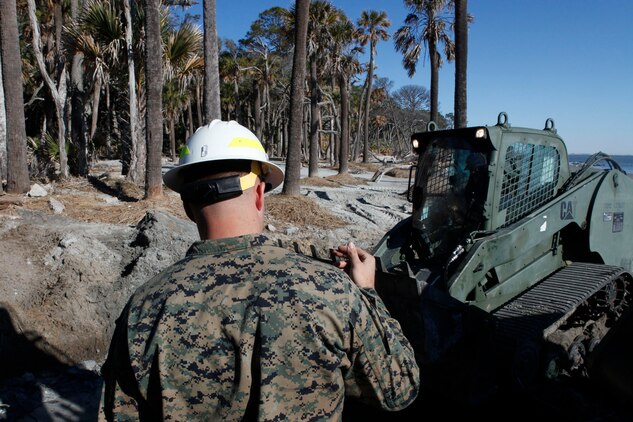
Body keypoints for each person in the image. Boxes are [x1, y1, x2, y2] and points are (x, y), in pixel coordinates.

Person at [98, 120, 420, 421]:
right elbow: (399, 387)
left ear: (186, 206)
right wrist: (366, 292)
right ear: (259, 193)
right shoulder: (332, 291)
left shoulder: (143, 309)